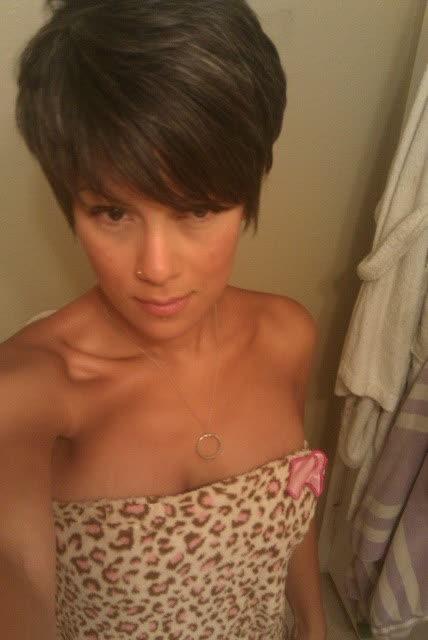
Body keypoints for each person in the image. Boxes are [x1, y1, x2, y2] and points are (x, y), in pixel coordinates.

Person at [1, 1, 329, 638]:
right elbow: (18, 580)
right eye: (113, 213)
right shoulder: (29, 392)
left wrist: (313, 622)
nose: (155, 268)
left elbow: (298, 497)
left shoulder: (287, 335)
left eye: (197, 209)